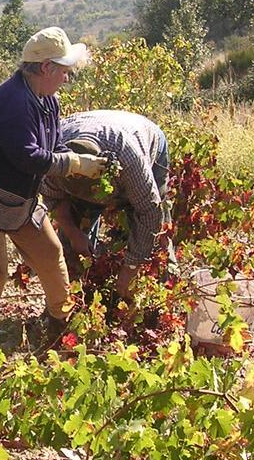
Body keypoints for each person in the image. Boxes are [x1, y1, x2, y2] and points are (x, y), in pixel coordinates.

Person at [0, 26, 107, 360]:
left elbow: (54, 144)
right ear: (46, 68)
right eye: (63, 71)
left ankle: (57, 322)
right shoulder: (12, 104)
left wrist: (71, 157)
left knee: (50, 254)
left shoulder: (48, 100)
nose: (67, 78)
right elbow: (28, 157)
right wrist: (75, 163)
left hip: (18, 198)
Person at [41, 110, 171, 314]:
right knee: (69, 244)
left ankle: (165, 293)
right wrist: (75, 235)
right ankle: (70, 301)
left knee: (157, 238)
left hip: (144, 135)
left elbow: (149, 211)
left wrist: (130, 269)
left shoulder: (128, 159)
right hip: (89, 128)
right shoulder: (52, 159)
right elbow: (54, 199)